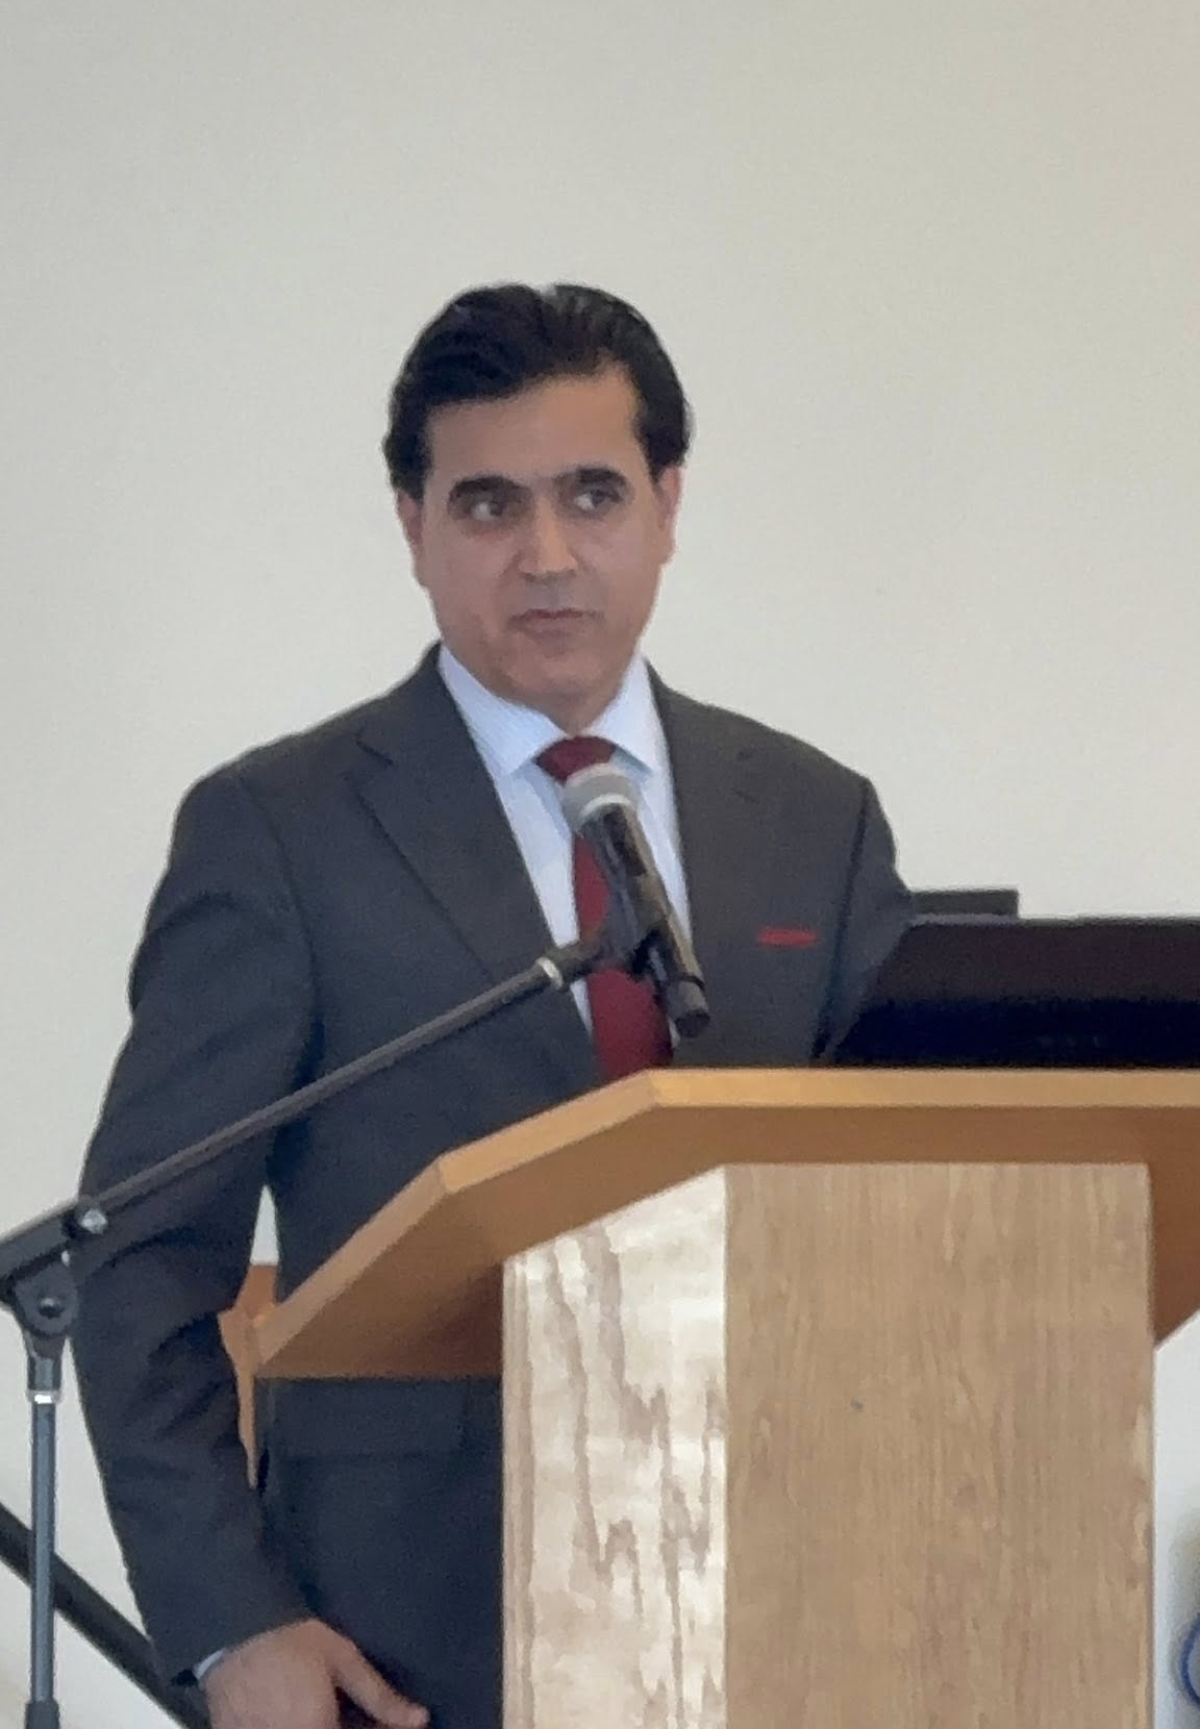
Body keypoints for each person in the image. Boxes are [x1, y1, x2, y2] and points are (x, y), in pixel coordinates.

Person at [75, 283, 911, 1729]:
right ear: (412, 526)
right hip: (413, 1641)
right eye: (486, 505)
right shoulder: (281, 831)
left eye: (593, 493)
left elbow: (916, 1193)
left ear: (667, 503)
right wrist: (234, 1622)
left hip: (797, 1601)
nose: (547, 554)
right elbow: (140, 1259)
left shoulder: (813, 818)